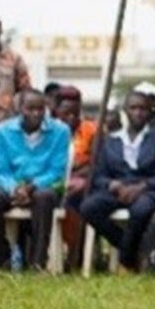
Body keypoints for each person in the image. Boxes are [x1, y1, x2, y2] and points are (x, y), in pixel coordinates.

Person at [80, 91, 155, 271]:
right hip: (118, 190)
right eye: (133, 108)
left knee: (141, 210)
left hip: (149, 190)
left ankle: (126, 259)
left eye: (143, 108)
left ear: (150, 111)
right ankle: (133, 249)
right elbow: (98, 175)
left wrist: (143, 186)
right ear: (125, 110)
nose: (138, 113)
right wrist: (112, 185)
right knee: (89, 207)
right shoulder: (111, 140)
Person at [0, 91, 71, 271]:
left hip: (44, 185)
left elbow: (56, 171)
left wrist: (32, 186)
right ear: (19, 108)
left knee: (44, 198)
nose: (36, 113)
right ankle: (2, 256)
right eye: (30, 108)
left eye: (40, 108)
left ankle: (38, 262)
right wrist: (15, 188)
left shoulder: (60, 131)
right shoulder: (2, 131)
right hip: (12, 184)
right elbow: (0, 172)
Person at [52, 86, 97, 264]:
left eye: (75, 113)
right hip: (53, 178)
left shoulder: (91, 130)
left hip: (81, 181)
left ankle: (74, 253)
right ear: (57, 112)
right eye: (66, 113)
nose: (71, 118)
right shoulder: (49, 130)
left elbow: (96, 161)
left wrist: (76, 172)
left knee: (75, 196)